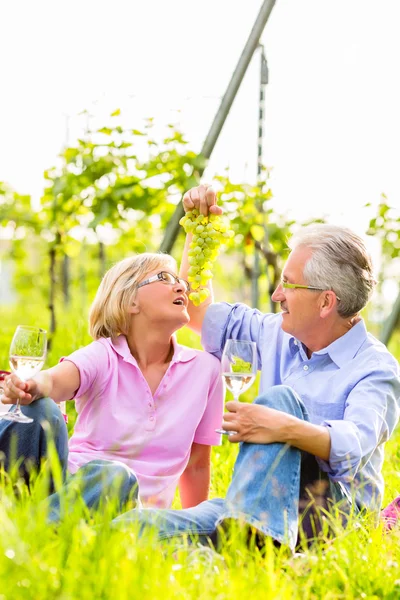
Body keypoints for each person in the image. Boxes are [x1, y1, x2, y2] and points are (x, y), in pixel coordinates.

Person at [111, 184, 400, 552]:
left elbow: (354, 445)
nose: (277, 295)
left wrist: (280, 425)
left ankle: (244, 545)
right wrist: (198, 229)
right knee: (131, 527)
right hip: (255, 505)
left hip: (329, 518)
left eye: (289, 284)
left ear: (326, 301)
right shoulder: (276, 332)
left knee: (279, 400)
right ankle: (242, 544)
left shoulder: (375, 368)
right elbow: (198, 312)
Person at [0, 252, 224, 518]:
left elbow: (197, 465)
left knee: (121, 480)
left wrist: (191, 524)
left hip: (135, 515)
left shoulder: (206, 370)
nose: (181, 286)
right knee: (37, 409)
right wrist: (30, 386)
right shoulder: (104, 355)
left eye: (180, 281)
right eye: (164, 278)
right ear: (130, 301)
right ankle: (30, 522)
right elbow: (55, 379)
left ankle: (24, 528)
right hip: (72, 485)